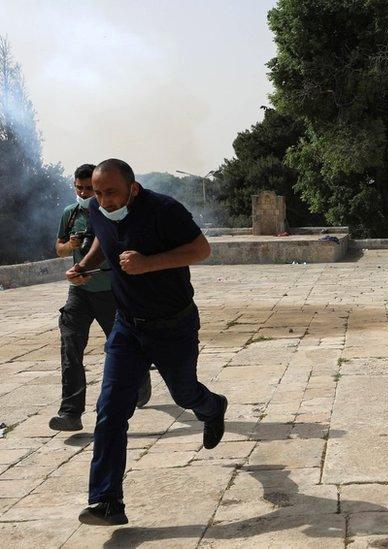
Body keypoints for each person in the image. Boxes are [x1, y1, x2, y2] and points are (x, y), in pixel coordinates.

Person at [67, 159, 228, 526]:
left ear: (133, 188)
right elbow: (102, 243)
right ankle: (107, 501)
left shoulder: (165, 210)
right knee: (110, 410)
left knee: (185, 394)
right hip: (127, 328)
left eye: (112, 192)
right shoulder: (95, 208)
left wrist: (149, 263)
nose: (104, 200)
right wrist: (85, 267)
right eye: (98, 192)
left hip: (173, 325)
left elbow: (201, 250)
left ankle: (212, 407)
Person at [51, 165, 152, 432]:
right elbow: (58, 247)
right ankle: (70, 412)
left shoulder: (109, 212)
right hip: (79, 292)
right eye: (79, 188)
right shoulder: (70, 215)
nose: (84, 193)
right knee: (70, 346)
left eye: (89, 189)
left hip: (109, 291)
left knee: (120, 347)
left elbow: (114, 246)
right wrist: (70, 252)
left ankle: (140, 379)